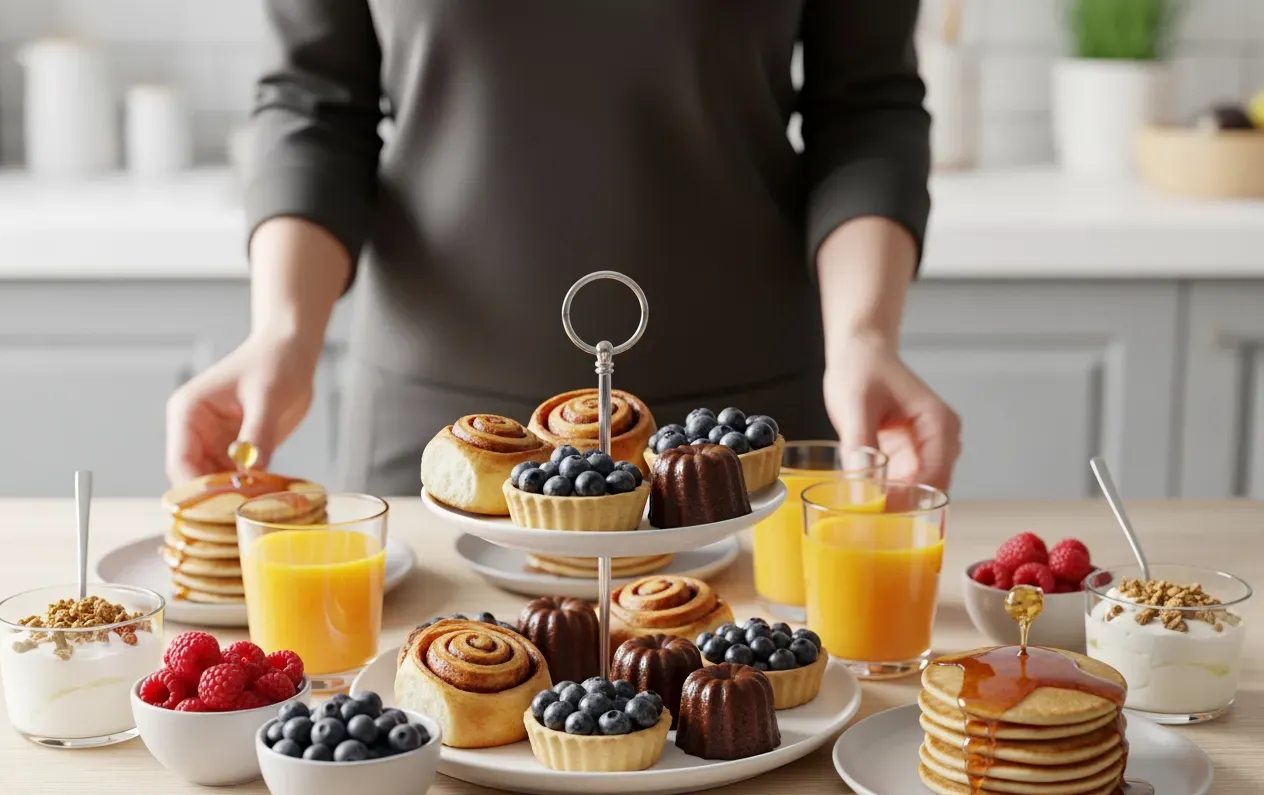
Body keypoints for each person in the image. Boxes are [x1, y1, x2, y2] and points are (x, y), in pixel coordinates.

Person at [165, 0, 960, 494]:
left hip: (738, 440)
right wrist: (284, 331)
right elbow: (315, 102)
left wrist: (864, 335)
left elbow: (864, 108)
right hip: (438, 443)